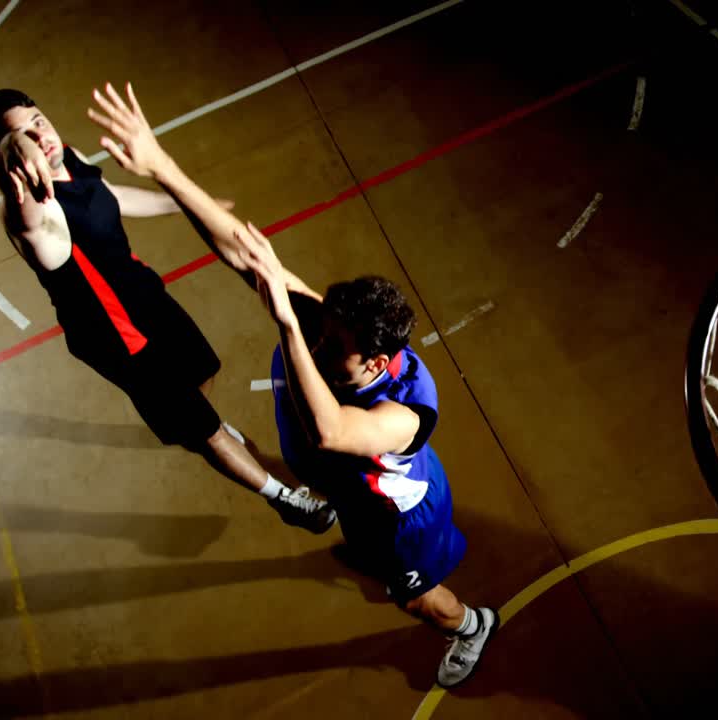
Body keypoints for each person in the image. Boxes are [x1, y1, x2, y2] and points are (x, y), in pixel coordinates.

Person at [87, 82, 499, 688]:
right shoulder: (333, 330)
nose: (318, 342)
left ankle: (471, 625)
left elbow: (331, 432)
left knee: (413, 598)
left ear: (377, 362)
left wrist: (287, 325)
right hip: (352, 500)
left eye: (333, 345)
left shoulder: (404, 411)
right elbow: (243, 253)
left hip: (398, 522)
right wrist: (162, 167)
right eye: (319, 331)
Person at [0, 87, 334, 532]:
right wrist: (12, 152)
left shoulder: (67, 157)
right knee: (206, 432)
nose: (40, 137)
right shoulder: (28, 212)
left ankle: (196, 425)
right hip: (117, 336)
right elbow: (18, 201)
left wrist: (179, 202)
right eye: (21, 135)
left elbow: (110, 194)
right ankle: (283, 499)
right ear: (5, 151)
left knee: (203, 370)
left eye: (39, 122)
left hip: (145, 294)